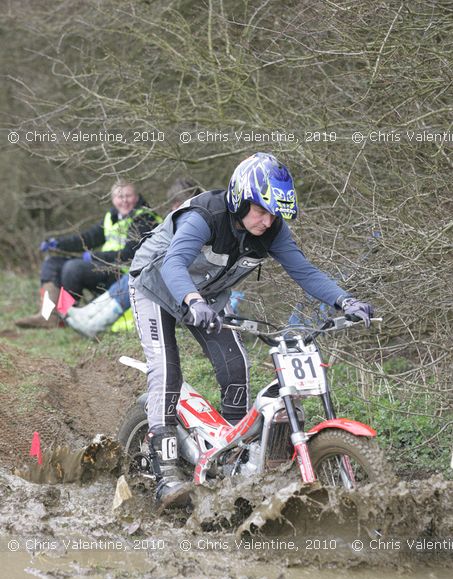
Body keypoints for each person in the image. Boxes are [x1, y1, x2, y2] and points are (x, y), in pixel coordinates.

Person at [128, 152, 374, 508]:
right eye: (261, 210)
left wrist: (345, 301)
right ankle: (166, 474)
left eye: (274, 213)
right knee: (167, 370)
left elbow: (304, 271)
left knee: (235, 365)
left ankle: (228, 463)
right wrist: (193, 301)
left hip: (205, 295)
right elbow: (174, 263)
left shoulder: (271, 230)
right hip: (155, 285)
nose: (267, 220)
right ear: (240, 199)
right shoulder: (205, 217)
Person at [64, 178, 203, 338]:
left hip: (182, 280)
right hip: (158, 272)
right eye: (174, 204)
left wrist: (95, 256)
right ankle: (88, 314)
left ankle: (95, 322)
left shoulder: (188, 222)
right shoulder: (182, 220)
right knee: (136, 274)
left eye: (179, 204)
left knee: (142, 277)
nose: (175, 208)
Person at [16, 179, 161, 329]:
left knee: (73, 268)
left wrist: (95, 257)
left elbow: (130, 254)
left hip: (124, 274)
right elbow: (87, 238)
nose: (124, 201)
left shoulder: (144, 219)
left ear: (137, 197)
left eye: (128, 196)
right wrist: (58, 242)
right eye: (119, 197)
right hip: (104, 267)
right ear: (112, 199)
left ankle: (66, 316)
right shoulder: (112, 217)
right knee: (52, 263)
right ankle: (47, 315)